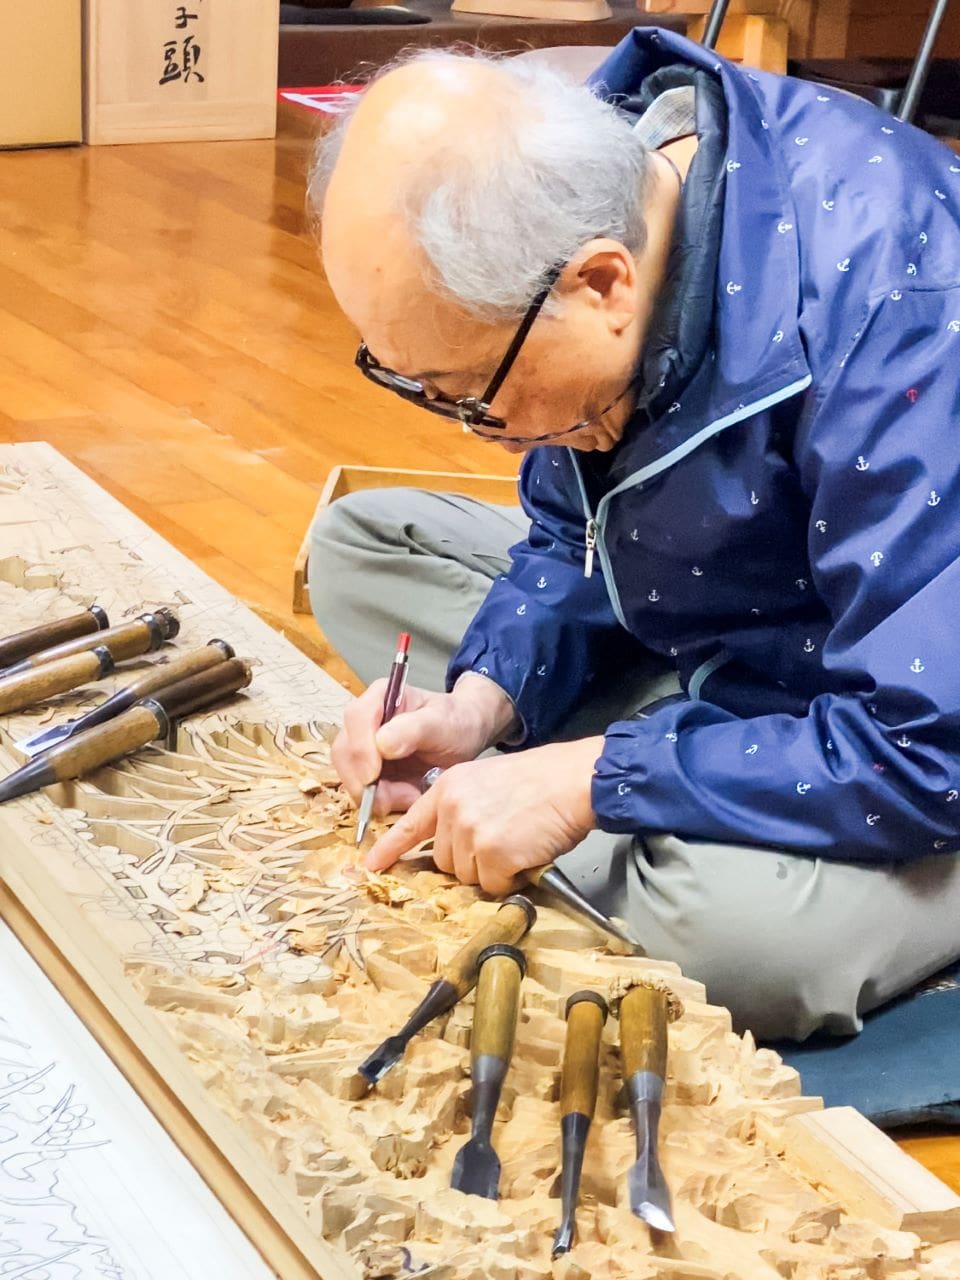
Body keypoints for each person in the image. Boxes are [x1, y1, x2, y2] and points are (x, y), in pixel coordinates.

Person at [306, 31, 960, 1040]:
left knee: (742, 946)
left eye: (471, 397)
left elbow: (928, 745)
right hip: (742, 617)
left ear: (603, 284)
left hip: (911, 710)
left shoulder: (900, 307)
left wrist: (590, 774)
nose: (482, 428)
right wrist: (484, 700)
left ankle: (659, 779)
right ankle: (647, 758)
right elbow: (574, 528)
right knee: (363, 544)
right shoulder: (593, 182)